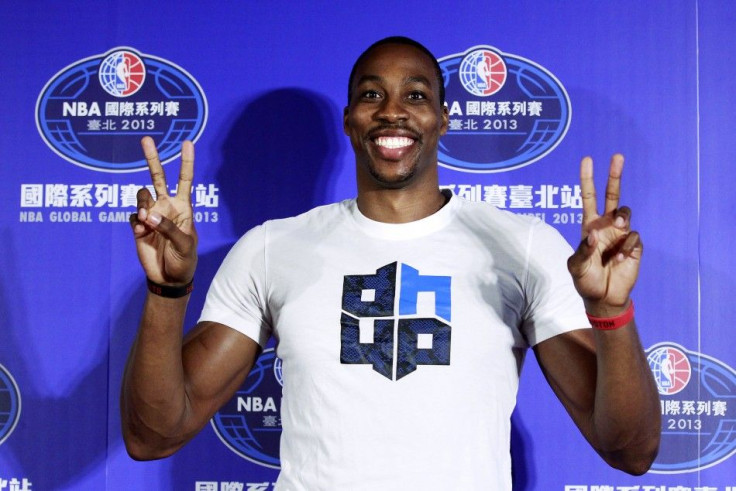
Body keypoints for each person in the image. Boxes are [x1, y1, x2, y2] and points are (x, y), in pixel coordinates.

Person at [121, 36, 660, 489]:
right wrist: (168, 293)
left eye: (416, 94)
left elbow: (630, 451)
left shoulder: (519, 245)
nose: (392, 110)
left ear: (443, 120)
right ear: (350, 121)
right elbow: (152, 436)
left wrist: (612, 312)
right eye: (371, 94)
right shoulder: (272, 249)